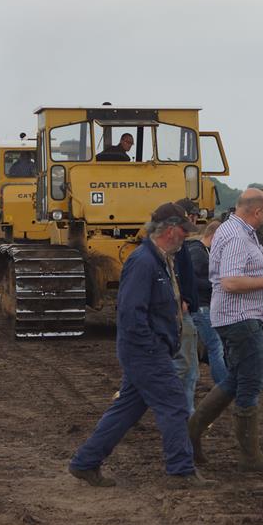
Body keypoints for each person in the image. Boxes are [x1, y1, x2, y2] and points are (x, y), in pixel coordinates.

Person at [68, 202, 212, 488]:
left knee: (127, 409)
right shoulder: (144, 262)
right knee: (174, 404)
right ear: (170, 230)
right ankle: (181, 471)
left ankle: (85, 463)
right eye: (184, 230)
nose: (187, 236)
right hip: (146, 351)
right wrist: (150, 347)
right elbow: (131, 312)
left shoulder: (158, 260)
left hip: (147, 349)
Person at [188, 188, 263, 474]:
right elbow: (230, 282)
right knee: (251, 381)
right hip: (240, 318)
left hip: (237, 317)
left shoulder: (235, 230)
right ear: (257, 211)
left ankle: (191, 432)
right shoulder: (237, 237)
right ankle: (249, 457)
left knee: (235, 378)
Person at [186, 220, 228, 386]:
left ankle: (193, 379)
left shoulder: (202, 251)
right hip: (201, 306)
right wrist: (215, 284)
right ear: (214, 236)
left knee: (197, 347)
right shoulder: (198, 253)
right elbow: (191, 280)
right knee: (215, 345)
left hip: (202, 305)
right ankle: (223, 386)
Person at [171, 198, 201, 414]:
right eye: (192, 217)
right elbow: (174, 275)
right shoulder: (174, 246)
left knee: (191, 370)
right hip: (181, 313)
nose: (194, 223)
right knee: (184, 366)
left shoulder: (182, 245)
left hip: (186, 310)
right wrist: (182, 301)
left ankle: (187, 414)